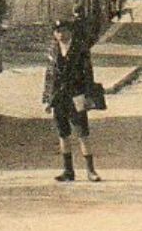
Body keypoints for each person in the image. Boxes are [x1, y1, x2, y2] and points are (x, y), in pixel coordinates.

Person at [43, 18, 101, 182]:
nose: (61, 34)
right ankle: (68, 170)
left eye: (65, 31)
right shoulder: (52, 50)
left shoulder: (80, 49)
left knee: (82, 133)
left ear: (71, 32)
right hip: (59, 97)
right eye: (58, 31)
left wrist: (88, 96)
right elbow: (49, 76)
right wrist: (47, 99)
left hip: (76, 95)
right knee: (63, 134)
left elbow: (88, 74)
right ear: (54, 34)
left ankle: (91, 170)